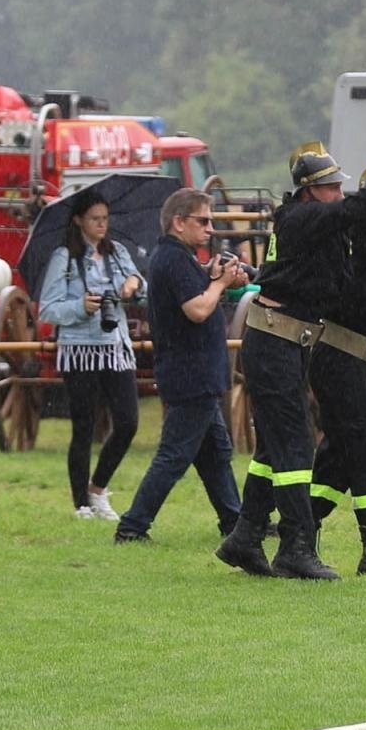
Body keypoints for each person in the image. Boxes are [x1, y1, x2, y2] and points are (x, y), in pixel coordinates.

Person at [215, 143, 366, 580]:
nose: (337, 192)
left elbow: (365, 217)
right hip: (274, 340)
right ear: (308, 191)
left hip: (289, 341)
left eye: (338, 184)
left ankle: (245, 536)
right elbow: (353, 210)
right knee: (296, 444)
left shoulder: (317, 220)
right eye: (330, 186)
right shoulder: (300, 218)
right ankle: (295, 547)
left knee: (273, 447)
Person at [113, 189, 247, 544]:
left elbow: (198, 296)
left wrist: (211, 278)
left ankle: (236, 523)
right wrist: (220, 283)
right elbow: (197, 309)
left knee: (216, 454)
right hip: (191, 374)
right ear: (179, 222)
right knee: (173, 456)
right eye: (203, 221)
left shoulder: (177, 257)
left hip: (195, 373)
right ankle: (131, 527)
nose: (210, 228)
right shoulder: (173, 259)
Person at [37, 188, 145, 522]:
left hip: (115, 347)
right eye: (95, 219)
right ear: (78, 221)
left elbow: (142, 289)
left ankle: (97, 489)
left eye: (105, 219)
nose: (101, 225)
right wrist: (80, 307)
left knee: (128, 422)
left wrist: (134, 286)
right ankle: (81, 504)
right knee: (83, 426)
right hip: (79, 349)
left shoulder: (118, 253)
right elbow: (48, 309)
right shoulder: (64, 258)